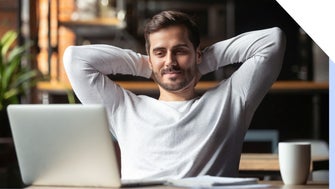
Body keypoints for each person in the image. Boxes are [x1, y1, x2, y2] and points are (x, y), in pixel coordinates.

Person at [63, 10, 286, 180]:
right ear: (149, 58)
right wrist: (147, 66)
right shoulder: (123, 108)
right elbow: (76, 60)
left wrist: (202, 63)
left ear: (197, 54)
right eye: (160, 52)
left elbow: (272, 41)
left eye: (180, 51)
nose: (170, 61)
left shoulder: (230, 100)